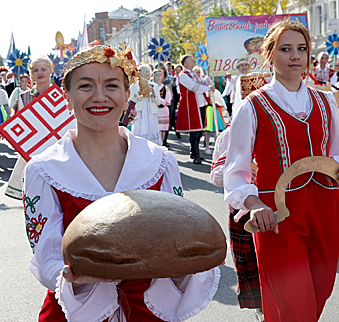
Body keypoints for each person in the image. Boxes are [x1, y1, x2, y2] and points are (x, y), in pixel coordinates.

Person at [22, 44, 220, 322]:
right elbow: (46, 255)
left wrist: (186, 261)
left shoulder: (160, 162)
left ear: (128, 95)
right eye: (86, 86)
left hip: (150, 310)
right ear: (67, 97)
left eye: (112, 85)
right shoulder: (44, 169)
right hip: (76, 311)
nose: (100, 96)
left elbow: (177, 237)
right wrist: (73, 276)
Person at [223, 20, 339, 321]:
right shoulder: (252, 106)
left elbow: (337, 152)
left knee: (318, 295)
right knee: (293, 306)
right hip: (277, 217)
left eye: (302, 49)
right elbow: (235, 170)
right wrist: (253, 204)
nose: (295, 56)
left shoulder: (326, 101)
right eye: (286, 49)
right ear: (270, 55)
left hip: (325, 211)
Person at [210, 126, 263, 322]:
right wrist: (238, 169)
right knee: (250, 260)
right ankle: (261, 308)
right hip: (243, 209)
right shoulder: (231, 134)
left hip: (278, 203)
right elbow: (216, 176)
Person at [5, 55, 58, 199]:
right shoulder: (24, 97)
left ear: (51, 71)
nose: (39, 73)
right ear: (31, 74)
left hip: (57, 149)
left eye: (44, 69)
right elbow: (22, 125)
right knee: (36, 195)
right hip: (34, 149)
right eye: (35, 70)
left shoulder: (60, 95)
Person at [176, 55, 213, 164]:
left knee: (200, 130)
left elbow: (204, 82)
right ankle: (196, 155)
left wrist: (209, 73)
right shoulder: (183, 75)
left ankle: (194, 152)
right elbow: (194, 87)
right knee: (195, 131)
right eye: (191, 61)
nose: (194, 62)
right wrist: (208, 89)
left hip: (199, 104)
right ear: (186, 63)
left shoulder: (194, 74)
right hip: (191, 105)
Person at [130, 64, 161, 145]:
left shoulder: (154, 85)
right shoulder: (134, 85)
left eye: (140, 70)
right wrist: (140, 93)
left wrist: (154, 94)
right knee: (139, 129)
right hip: (140, 111)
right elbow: (131, 99)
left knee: (152, 130)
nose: (138, 72)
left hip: (151, 111)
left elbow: (159, 102)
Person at [154, 69, 172, 147]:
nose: (158, 77)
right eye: (156, 75)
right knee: (155, 129)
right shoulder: (151, 87)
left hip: (163, 110)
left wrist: (158, 100)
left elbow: (168, 100)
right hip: (154, 110)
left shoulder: (165, 88)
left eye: (160, 75)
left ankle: (162, 145)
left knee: (163, 130)